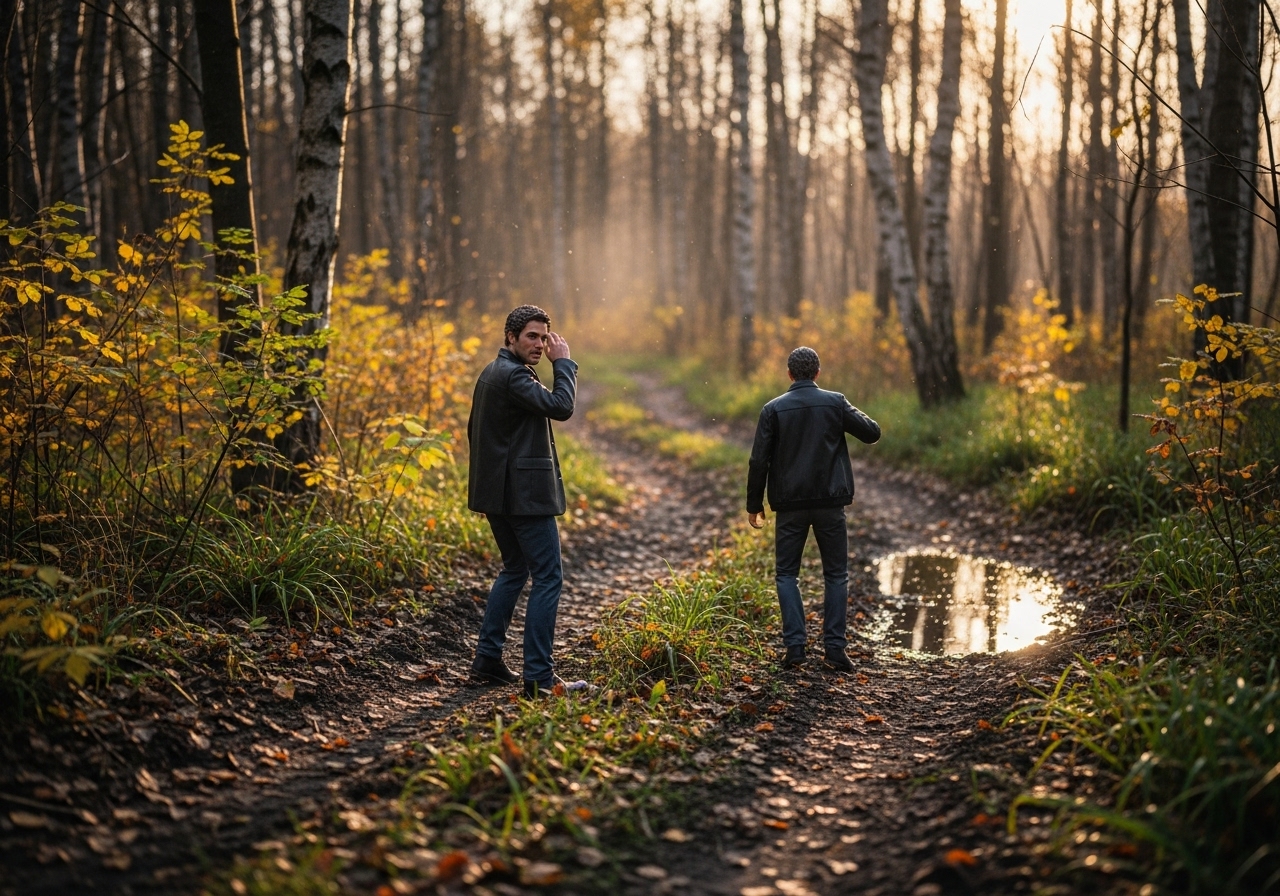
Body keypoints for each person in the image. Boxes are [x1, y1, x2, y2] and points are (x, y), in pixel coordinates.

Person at [746, 346, 881, 671]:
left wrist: (754, 504)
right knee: (836, 574)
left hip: (790, 505)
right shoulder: (835, 402)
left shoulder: (773, 409)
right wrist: (842, 409)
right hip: (830, 503)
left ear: (789, 374)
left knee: (786, 575)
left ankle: (795, 648)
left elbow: (758, 459)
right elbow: (872, 433)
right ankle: (835, 650)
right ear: (817, 373)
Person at [467, 305, 577, 698]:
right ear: (510, 337)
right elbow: (561, 407)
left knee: (515, 570)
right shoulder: (513, 376)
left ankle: (487, 660)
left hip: (499, 495)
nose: (541, 344)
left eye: (545, 337)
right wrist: (563, 365)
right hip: (523, 498)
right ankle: (539, 677)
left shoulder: (491, 373)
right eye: (532, 336)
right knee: (548, 577)